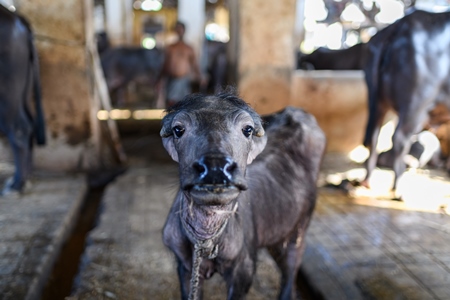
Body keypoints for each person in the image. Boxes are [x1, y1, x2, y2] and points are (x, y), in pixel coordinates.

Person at [157, 21, 205, 107]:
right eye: (177, 29)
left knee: (183, 104)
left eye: (181, 29)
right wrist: (159, 79)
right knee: (171, 103)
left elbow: (194, 64)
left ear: (184, 31)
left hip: (183, 80)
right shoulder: (170, 47)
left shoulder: (189, 48)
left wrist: (200, 77)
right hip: (171, 79)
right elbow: (164, 64)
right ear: (175, 31)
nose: (179, 31)